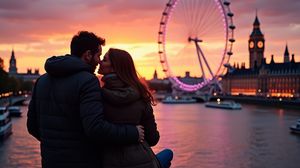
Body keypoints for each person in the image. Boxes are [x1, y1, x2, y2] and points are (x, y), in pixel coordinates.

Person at [27, 31, 144, 168]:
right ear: (88, 55)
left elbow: (32, 126)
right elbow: (95, 128)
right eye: (98, 55)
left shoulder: (41, 81)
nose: (100, 61)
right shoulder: (87, 81)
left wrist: (55, 145)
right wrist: (132, 133)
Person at [98, 48, 173, 168]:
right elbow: (153, 139)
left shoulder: (97, 96)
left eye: (104, 60)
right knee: (168, 154)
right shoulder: (141, 96)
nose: (99, 62)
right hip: (144, 161)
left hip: (109, 161)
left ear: (114, 67)